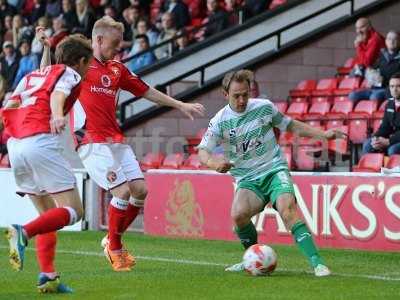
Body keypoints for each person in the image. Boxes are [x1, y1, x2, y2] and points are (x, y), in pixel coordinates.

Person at [39, 16, 205, 272]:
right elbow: (47, 76)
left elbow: (147, 91)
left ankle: (112, 240)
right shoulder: (78, 64)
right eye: (114, 44)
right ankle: (115, 248)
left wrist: (180, 104)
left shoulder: (118, 69)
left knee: (140, 190)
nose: (119, 49)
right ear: (98, 39)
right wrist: (46, 49)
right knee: (123, 191)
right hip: (89, 139)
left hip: (115, 138)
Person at [197, 69, 345, 277]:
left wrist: (323, 134)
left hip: (274, 169)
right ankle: (253, 256)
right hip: (248, 178)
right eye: (236, 96)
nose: (241, 100)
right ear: (225, 95)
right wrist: (214, 163)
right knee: (238, 215)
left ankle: (317, 263)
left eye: (245, 94)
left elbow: (290, 125)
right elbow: (203, 152)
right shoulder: (220, 121)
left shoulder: (264, 108)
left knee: (287, 209)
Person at [2, 33, 92, 293]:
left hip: (15, 144)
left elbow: (10, 105)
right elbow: (59, 95)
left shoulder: (32, 77)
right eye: (89, 65)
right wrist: (56, 115)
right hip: (40, 140)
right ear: (81, 61)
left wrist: (46, 47)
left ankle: (48, 276)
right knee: (75, 211)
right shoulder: (70, 73)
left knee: (47, 216)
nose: (88, 71)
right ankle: (23, 232)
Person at [349, 30, 400, 103]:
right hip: (374, 87)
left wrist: (385, 80)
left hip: (388, 89)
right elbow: (371, 68)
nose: (391, 41)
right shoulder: (381, 55)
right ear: (385, 41)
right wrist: (371, 75)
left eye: (395, 39)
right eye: (389, 39)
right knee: (352, 95)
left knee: (374, 97)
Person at [362, 73, 400, 155]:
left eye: (398, 86)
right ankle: (374, 168)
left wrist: (389, 141)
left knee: (393, 150)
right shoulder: (390, 104)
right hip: (394, 138)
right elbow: (385, 127)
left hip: (395, 139)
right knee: (368, 145)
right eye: (392, 86)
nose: (395, 89)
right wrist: (375, 138)